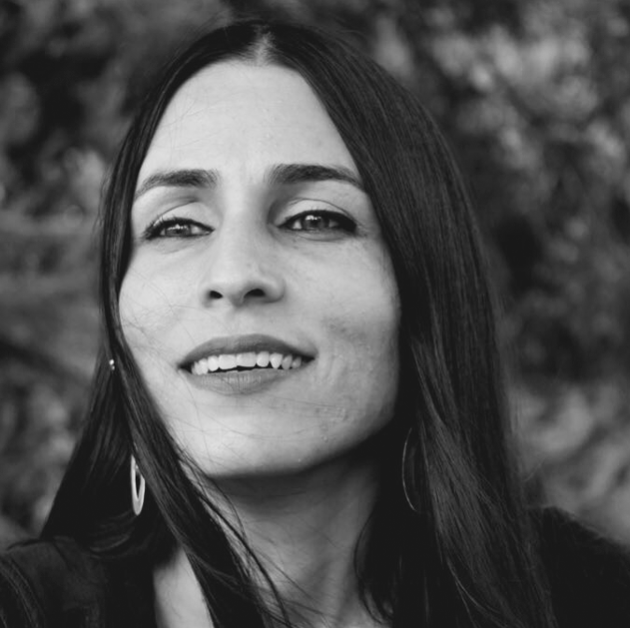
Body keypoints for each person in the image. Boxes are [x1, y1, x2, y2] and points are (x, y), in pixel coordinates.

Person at [1, 17, 630, 628]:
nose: (235, 273)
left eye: (313, 219)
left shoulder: (587, 601)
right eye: (178, 225)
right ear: (118, 321)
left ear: (424, 286)